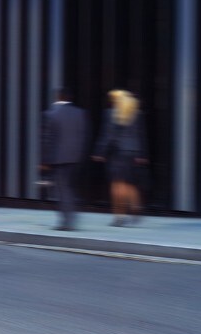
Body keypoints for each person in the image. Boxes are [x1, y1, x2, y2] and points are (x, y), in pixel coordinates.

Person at [92, 89, 149, 227]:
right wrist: (142, 154)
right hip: (132, 153)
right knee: (129, 184)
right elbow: (141, 136)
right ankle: (136, 209)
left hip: (116, 153)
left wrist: (99, 152)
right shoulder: (136, 113)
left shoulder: (111, 113)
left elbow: (108, 136)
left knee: (117, 185)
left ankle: (119, 216)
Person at [40, 88, 88, 231]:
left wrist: (44, 160)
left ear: (57, 97)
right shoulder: (80, 113)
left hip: (58, 158)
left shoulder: (51, 114)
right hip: (75, 158)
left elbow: (47, 140)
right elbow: (84, 136)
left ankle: (66, 222)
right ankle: (71, 216)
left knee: (63, 190)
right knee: (70, 188)